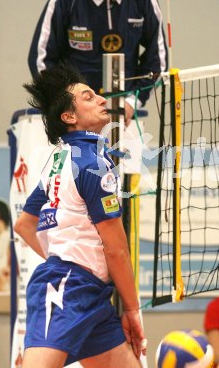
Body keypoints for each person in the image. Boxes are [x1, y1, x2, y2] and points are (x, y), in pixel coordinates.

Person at [14, 64, 146, 368]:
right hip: (67, 289)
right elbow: (116, 249)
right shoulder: (91, 164)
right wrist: (132, 309)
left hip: (90, 293)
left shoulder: (59, 159)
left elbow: (25, 225)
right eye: (89, 97)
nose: (101, 99)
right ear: (69, 117)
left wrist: (65, 257)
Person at [28, 0, 168, 125]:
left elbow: (157, 59)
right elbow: (40, 60)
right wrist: (67, 105)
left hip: (123, 113)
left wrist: (133, 101)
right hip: (75, 118)